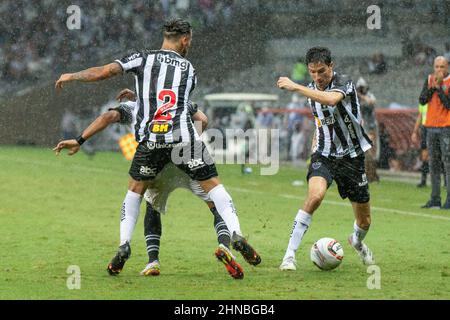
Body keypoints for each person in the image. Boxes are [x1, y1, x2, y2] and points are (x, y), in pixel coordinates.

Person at [55, 18, 261, 278]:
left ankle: (124, 245)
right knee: (215, 188)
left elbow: (106, 71)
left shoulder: (142, 58)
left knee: (135, 192)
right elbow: (182, 105)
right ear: (185, 39)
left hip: (151, 142)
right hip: (184, 140)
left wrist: (73, 76)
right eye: (190, 41)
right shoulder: (189, 70)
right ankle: (235, 234)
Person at [53, 90, 247, 279]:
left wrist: (80, 140)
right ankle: (225, 244)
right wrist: (192, 141)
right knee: (214, 203)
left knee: (150, 206)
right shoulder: (177, 101)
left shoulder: (131, 107)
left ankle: (148, 258)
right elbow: (203, 119)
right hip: (186, 158)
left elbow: (108, 117)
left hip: (155, 161)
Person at [277, 47, 375, 271]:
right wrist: (315, 144)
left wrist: (296, 86)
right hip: (325, 155)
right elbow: (321, 122)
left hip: (352, 157)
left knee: (365, 221)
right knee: (315, 197)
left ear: (331, 66)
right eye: (312, 72)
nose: (317, 77)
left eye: (322, 71)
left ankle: (357, 241)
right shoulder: (311, 90)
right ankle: (289, 256)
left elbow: (331, 100)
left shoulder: (345, 83)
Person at [417, 56, 450, 209]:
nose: (439, 70)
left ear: (447, 67)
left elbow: (448, 105)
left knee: (447, 164)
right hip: (430, 127)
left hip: (446, 128)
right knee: (434, 165)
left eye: (442, 67)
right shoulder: (429, 79)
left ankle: (449, 200)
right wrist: (432, 88)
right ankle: (435, 198)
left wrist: (439, 89)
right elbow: (422, 100)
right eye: (437, 67)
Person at [356, 77, 379, 182]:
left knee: (371, 150)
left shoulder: (368, 95)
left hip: (370, 126)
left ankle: (372, 174)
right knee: (364, 150)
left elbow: (372, 102)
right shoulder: (355, 98)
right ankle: (365, 173)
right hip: (361, 126)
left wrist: (361, 96)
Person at [411, 103, 430, 187]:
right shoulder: (423, 101)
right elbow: (420, 116)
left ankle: (445, 182)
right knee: (424, 156)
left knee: (440, 154)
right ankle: (423, 180)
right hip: (425, 128)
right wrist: (415, 131)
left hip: (437, 127)